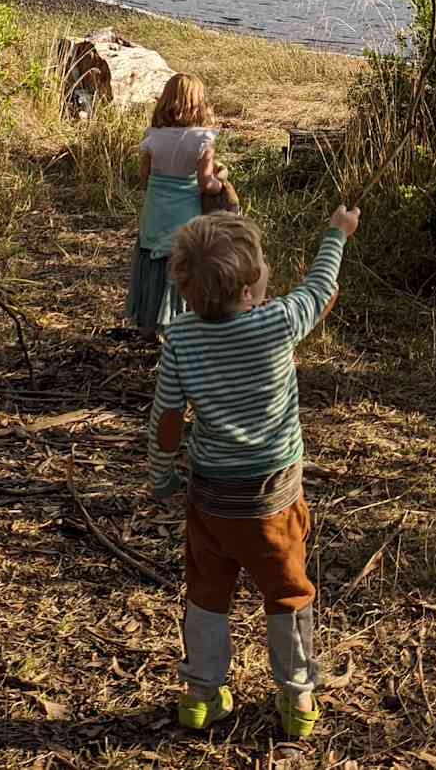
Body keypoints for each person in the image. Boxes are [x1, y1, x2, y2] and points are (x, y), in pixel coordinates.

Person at [146, 203, 360, 739]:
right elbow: (320, 289)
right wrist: (337, 231)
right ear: (248, 289)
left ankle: (201, 696)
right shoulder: (277, 323)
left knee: (206, 592)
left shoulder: (181, 339)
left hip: (211, 500)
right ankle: (299, 698)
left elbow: (167, 420)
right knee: (287, 591)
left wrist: (162, 476)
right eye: (262, 264)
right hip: (273, 500)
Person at [125, 74, 224, 342]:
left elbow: (144, 178)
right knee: (181, 265)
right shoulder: (203, 139)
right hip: (185, 216)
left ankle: (148, 321)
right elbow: (205, 184)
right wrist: (220, 181)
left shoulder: (152, 137)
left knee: (152, 262)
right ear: (198, 104)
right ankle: (179, 324)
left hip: (154, 212)